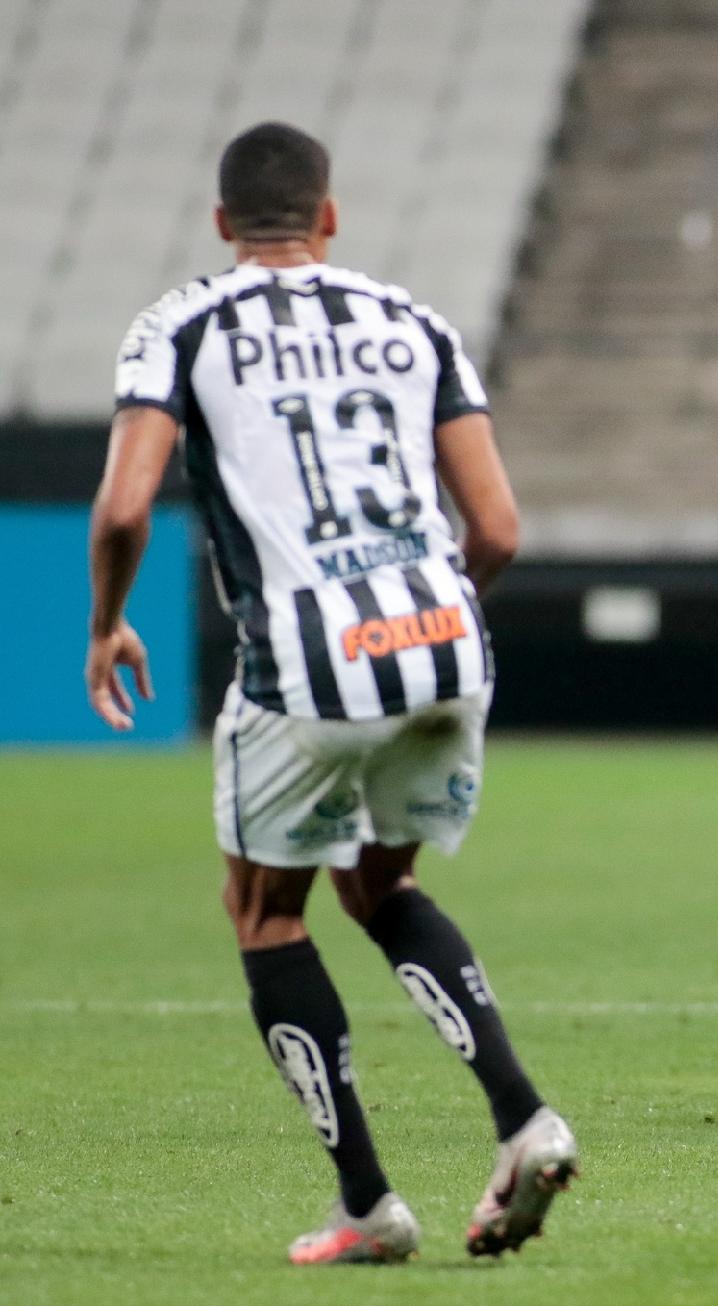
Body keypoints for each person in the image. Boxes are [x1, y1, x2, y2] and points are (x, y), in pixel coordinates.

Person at [86, 122, 576, 1263]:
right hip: (446, 639)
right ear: (330, 214)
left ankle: (368, 1202)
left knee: (265, 912)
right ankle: (524, 1116)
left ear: (222, 225)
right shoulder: (416, 324)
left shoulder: (182, 322)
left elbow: (120, 509)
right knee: (382, 881)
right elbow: (497, 526)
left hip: (308, 657)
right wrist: (430, 605)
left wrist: (108, 622)